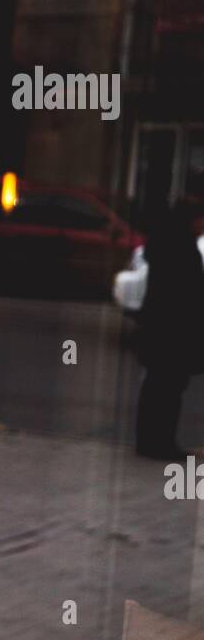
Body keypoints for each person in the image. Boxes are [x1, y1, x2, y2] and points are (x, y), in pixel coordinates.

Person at [135, 189, 204, 461]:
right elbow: (186, 293)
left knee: (158, 386)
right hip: (174, 332)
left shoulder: (167, 243)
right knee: (167, 388)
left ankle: (151, 441)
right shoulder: (182, 248)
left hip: (161, 329)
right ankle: (160, 443)